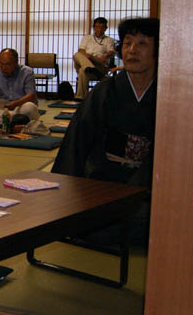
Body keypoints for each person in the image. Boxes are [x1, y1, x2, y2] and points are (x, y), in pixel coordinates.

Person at [52, 18, 159, 244]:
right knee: (89, 217)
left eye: (142, 44)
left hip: (148, 180)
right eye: (128, 43)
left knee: (153, 220)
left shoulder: (166, 93)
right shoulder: (106, 90)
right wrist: (63, 191)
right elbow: (78, 140)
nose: (132, 50)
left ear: (159, 49)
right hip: (104, 176)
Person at [73, 17, 117, 100]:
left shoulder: (109, 40)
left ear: (105, 28)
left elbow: (111, 51)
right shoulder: (87, 38)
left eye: (102, 27)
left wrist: (106, 56)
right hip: (88, 59)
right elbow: (81, 50)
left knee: (83, 71)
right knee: (77, 54)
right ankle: (89, 68)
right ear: (93, 28)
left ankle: (80, 98)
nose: (99, 29)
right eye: (97, 27)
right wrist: (88, 56)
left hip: (99, 64)